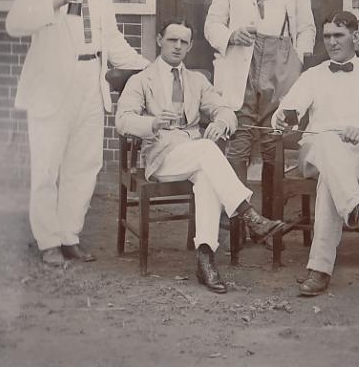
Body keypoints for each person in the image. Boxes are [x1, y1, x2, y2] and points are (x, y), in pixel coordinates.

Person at [5, 0, 150, 266]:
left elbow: (112, 39)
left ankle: (69, 235)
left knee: (84, 164)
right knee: (47, 166)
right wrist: (52, 2)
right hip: (52, 86)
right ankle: (48, 241)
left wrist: (148, 69)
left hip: (90, 81)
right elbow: (15, 24)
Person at [115, 18, 286, 293]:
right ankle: (249, 215)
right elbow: (122, 121)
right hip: (161, 157)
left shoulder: (196, 80)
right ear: (160, 40)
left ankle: (205, 257)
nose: (178, 46)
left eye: (184, 42)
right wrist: (152, 123)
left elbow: (225, 109)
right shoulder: (141, 80)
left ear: (190, 46)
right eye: (172, 40)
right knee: (208, 151)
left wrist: (221, 122)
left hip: (195, 156)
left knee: (207, 174)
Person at [272, 11, 359, 296]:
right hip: (315, 155)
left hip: (357, 157)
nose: (332, 42)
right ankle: (355, 205)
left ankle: (319, 269)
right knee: (328, 141)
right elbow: (287, 111)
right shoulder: (313, 75)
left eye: (338, 35)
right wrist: (280, 118)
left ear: (356, 37)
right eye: (327, 36)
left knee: (330, 181)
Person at [205, 0, 316, 212]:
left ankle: (271, 217)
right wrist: (230, 35)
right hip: (243, 59)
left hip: (281, 59)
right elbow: (212, 23)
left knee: (273, 140)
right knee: (239, 136)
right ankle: (238, 216)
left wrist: (298, 57)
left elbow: (307, 25)